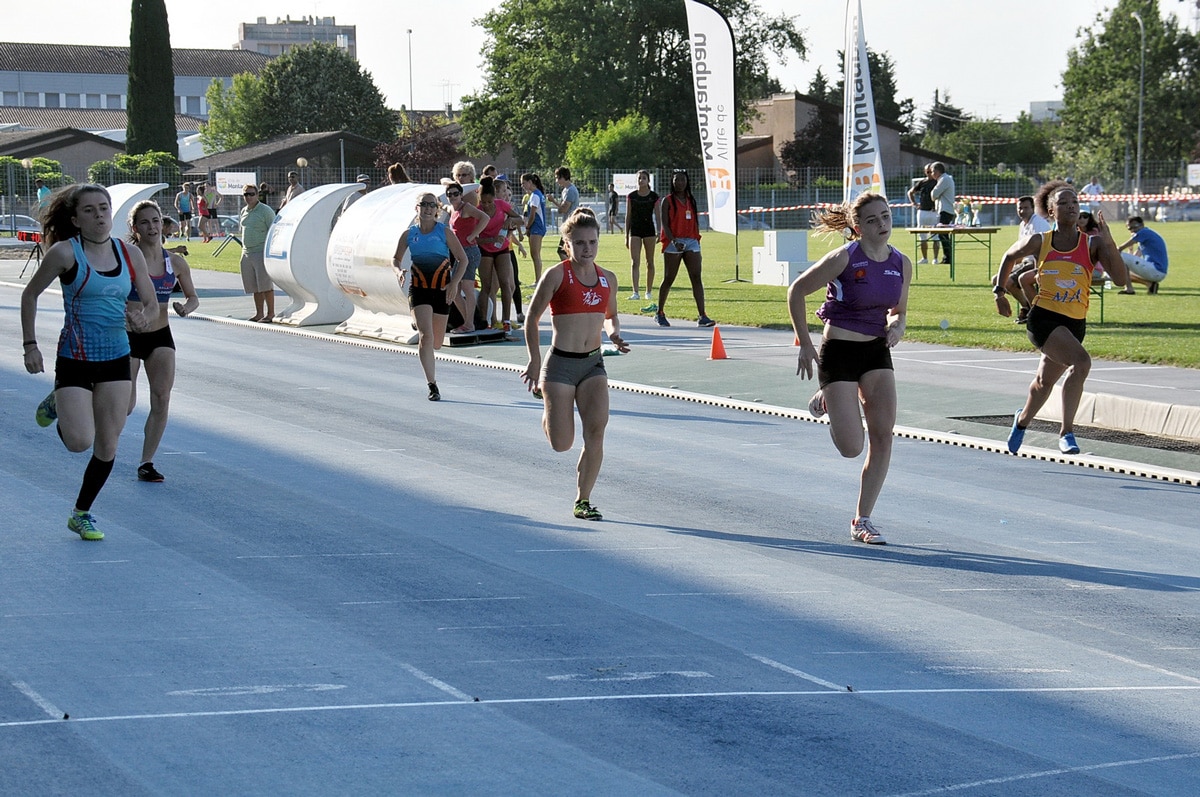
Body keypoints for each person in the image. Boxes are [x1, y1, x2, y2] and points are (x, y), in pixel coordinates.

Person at [20, 184, 159, 541]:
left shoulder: (130, 255)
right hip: (75, 359)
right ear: (75, 220)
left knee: (108, 444)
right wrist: (30, 345)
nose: (99, 216)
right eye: (90, 211)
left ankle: (81, 513)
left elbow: (151, 301)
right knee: (79, 441)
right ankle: (60, 403)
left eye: (104, 209)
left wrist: (144, 317)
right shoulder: (65, 253)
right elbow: (30, 294)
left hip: (116, 356)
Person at [787, 192, 911, 545]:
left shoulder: (901, 263)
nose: (882, 225)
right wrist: (806, 344)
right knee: (851, 447)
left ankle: (863, 519)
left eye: (886, 217)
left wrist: (898, 327)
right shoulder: (842, 258)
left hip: (876, 352)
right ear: (858, 227)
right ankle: (829, 396)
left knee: (883, 436)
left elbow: (898, 310)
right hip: (839, 352)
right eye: (872, 220)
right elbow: (796, 291)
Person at [993, 180, 1127, 456]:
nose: (1070, 207)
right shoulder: (1040, 241)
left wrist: (1110, 242)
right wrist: (999, 292)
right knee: (1081, 362)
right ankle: (1067, 432)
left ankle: (1021, 421)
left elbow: (1122, 279)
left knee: (1044, 384)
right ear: (1051, 211)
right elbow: (1009, 256)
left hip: (1075, 324)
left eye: (1075, 203)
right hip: (1043, 319)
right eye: (1063, 203)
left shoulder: (1092, 244)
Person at [521, 209, 630, 521]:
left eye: (592, 242)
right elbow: (532, 318)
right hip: (560, 366)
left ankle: (583, 499)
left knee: (596, 432)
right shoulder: (556, 275)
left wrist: (615, 336)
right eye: (579, 243)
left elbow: (610, 317)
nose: (587, 248)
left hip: (593, 365)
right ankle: (547, 407)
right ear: (566, 245)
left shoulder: (608, 278)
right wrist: (534, 360)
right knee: (561, 444)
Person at [126, 200, 200, 483]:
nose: (152, 226)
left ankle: (147, 462)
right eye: (145, 222)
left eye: (156, 221)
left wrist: (186, 308)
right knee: (126, 405)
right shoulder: (128, 260)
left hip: (160, 335)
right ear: (136, 228)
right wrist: (125, 314)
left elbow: (193, 297)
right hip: (129, 336)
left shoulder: (176, 262)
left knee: (161, 397)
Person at [392, 192, 469, 401]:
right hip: (418, 289)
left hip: (442, 290)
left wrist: (454, 284)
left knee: (436, 342)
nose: (427, 208)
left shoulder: (444, 232)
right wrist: (399, 271)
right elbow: (396, 259)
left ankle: (424, 327)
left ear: (436, 209)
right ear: (416, 208)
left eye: (431, 205)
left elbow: (463, 260)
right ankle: (432, 384)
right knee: (426, 337)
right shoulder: (409, 234)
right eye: (423, 204)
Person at [654, 169, 715, 327]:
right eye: (676, 180)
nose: (679, 183)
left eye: (682, 180)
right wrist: (673, 241)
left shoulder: (691, 200)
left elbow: (695, 221)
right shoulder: (667, 201)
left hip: (692, 241)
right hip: (674, 242)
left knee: (696, 277)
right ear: (672, 182)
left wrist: (696, 240)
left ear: (687, 182)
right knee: (669, 278)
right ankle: (660, 312)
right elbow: (665, 225)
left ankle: (702, 316)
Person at [994, 195, 1053, 324]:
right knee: (996, 280)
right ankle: (1027, 306)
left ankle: (1034, 312)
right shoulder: (1023, 225)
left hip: (1039, 262)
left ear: (1033, 208)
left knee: (1008, 282)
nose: (1022, 211)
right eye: (1020, 208)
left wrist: (1038, 269)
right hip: (1027, 262)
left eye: (1026, 208)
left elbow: (1045, 249)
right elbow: (1019, 252)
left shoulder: (1039, 223)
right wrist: (1013, 267)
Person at [476, 176, 524, 333]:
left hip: (502, 248)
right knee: (487, 286)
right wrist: (491, 239)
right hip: (485, 248)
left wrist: (509, 219)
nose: (487, 205)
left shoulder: (501, 205)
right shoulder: (477, 211)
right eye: (484, 202)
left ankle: (506, 321)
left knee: (506, 283)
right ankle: (485, 320)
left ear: (494, 198)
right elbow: (475, 239)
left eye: (489, 202)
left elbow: (520, 219)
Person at [445, 181, 490, 333]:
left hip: (469, 251)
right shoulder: (452, 209)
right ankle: (469, 321)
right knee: (454, 288)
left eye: (456, 194)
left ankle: (469, 323)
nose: (453, 197)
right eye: (450, 195)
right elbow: (446, 208)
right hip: (459, 254)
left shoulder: (466, 208)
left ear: (461, 195)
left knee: (466, 287)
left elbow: (485, 218)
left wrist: (473, 234)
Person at [238, 183, 277, 322]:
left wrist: (269, 251)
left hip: (261, 252)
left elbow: (274, 231)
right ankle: (259, 313)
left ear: (257, 195)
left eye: (251, 194)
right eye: (246, 195)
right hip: (246, 252)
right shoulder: (244, 211)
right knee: (254, 287)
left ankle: (270, 313)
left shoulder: (265, 211)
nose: (248, 197)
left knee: (265, 285)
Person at [624, 169, 659, 304]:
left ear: (648, 181)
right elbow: (628, 216)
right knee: (634, 262)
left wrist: (660, 231)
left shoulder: (654, 197)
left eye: (644, 178)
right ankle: (635, 292)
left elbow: (658, 215)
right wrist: (626, 236)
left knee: (650, 262)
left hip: (649, 230)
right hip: (635, 231)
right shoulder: (631, 196)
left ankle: (648, 291)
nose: (641, 180)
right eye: (639, 178)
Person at [1117, 216, 1168, 294]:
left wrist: (1113, 251)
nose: (1133, 230)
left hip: (1156, 269)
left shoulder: (1144, 232)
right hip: (1156, 271)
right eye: (1130, 229)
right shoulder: (1144, 239)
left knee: (1119, 256)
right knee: (1118, 271)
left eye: (1135, 227)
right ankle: (1150, 284)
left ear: (1142, 225)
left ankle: (1129, 289)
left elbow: (1120, 248)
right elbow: (1135, 258)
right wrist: (1130, 250)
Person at [906, 164, 940, 265]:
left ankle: (935, 258)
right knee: (922, 236)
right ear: (925, 172)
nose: (930, 174)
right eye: (928, 172)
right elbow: (910, 192)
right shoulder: (922, 182)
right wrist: (914, 203)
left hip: (934, 212)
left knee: (936, 236)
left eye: (932, 171)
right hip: (923, 212)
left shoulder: (938, 182)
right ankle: (924, 258)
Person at [521, 172, 548, 283]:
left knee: (535, 254)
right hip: (536, 227)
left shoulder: (535, 195)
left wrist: (527, 227)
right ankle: (537, 280)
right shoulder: (536, 194)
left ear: (530, 182)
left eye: (523, 183)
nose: (522, 186)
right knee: (535, 254)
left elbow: (532, 215)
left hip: (537, 227)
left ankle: (538, 280)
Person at [551, 166, 579, 260]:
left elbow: (564, 209)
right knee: (567, 251)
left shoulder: (570, 190)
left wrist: (553, 201)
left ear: (562, 177)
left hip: (571, 224)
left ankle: (569, 271)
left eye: (557, 178)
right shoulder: (565, 190)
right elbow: (562, 208)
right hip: (567, 224)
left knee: (562, 251)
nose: (556, 181)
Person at [930, 162, 956, 264]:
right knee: (943, 235)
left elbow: (934, 194)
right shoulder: (945, 179)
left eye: (932, 171)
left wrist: (933, 194)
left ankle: (948, 258)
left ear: (937, 171)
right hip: (945, 210)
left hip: (945, 210)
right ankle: (947, 257)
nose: (932, 174)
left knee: (943, 235)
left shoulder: (944, 179)